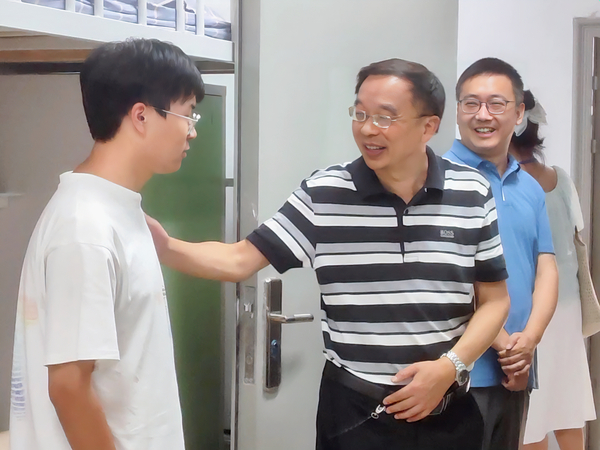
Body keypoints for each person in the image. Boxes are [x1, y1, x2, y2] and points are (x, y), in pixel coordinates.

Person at [147, 58, 511, 450]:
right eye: (360, 113)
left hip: (448, 412)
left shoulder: (471, 191)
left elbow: (494, 301)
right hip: (357, 414)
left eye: (385, 117)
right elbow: (239, 260)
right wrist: (164, 246)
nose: (367, 129)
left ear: (428, 126)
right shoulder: (325, 193)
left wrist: (449, 368)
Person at [9, 38, 204, 450]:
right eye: (187, 114)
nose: (192, 130)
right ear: (141, 116)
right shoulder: (85, 227)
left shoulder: (116, 210)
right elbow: (68, 387)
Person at [444, 58, 559, 450]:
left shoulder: (529, 187)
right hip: (456, 372)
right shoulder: (437, 180)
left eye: (496, 104)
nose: (483, 115)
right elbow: (449, 277)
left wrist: (529, 341)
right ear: (457, 111)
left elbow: (546, 267)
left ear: (519, 113)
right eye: (471, 103)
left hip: (515, 373)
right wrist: (507, 345)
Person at [509, 90, 596, 450]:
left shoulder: (509, 184)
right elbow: (576, 232)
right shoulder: (561, 179)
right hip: (567, 306)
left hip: (530, 309)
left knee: (532, 413)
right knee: (567, 404)